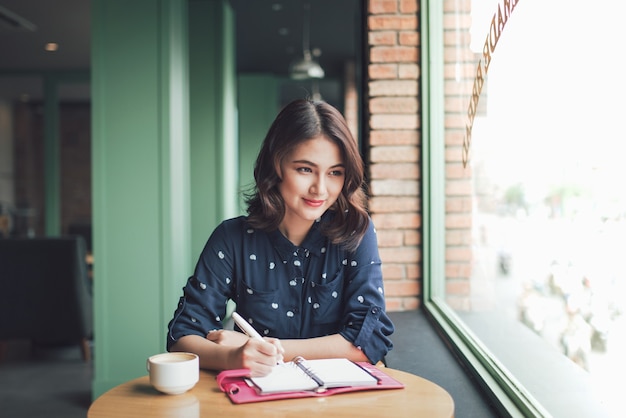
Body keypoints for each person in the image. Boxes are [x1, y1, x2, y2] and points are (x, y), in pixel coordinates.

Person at [167, 98, 394, 377]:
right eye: (305, 169)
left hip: (340, 398)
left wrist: (265, 349)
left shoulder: (357, 232)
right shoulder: (231, 238)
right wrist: (234, 357)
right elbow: (182, 339)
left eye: (335, 173)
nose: (320, 189)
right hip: (260, 399)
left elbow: (367, 344)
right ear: (276, 165)